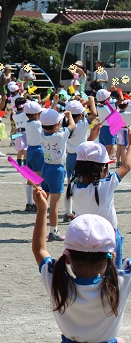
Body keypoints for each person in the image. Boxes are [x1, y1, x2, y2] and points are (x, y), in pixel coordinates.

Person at [32, 193, 131, 343]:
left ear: (67, 258)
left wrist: (42, 210)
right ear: (111, 257)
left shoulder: (57, 282)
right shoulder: (120, 283)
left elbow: (39, 249)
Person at [67, 140, 131, 270]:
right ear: (102, 168)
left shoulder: (73, 184)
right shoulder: (106, 185)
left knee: (89, 271)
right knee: (113, 275)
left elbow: (84, 157)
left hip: (84, 238)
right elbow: (126, 166)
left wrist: (91, 138)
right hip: (109, 237)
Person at [39, 108, 75, 242]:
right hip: (57, 170)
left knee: (44, 201)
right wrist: (69, 115)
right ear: (56, 125)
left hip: (45, 168)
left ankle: (42, 229)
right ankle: (53, 231)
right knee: (54, 204)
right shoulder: (61, 135)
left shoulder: (41, 133)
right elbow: (72, 125)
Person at [63, 100, 90, 223]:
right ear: (80, 115)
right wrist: (91, 101)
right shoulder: (83, 124)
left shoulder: (65, 125)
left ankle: (68, 212)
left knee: (70, 185)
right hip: (82, 157)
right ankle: (80, 211)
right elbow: (93, 113)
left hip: (70, 156)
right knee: (83, 184)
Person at [24, 101, 44, 212]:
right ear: (36, 114)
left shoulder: (28, 122)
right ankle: (37, 202)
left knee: (30, 177)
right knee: (37, 178)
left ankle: (29, 202)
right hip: (38, 150)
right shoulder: (38, 124)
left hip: (30, 149)